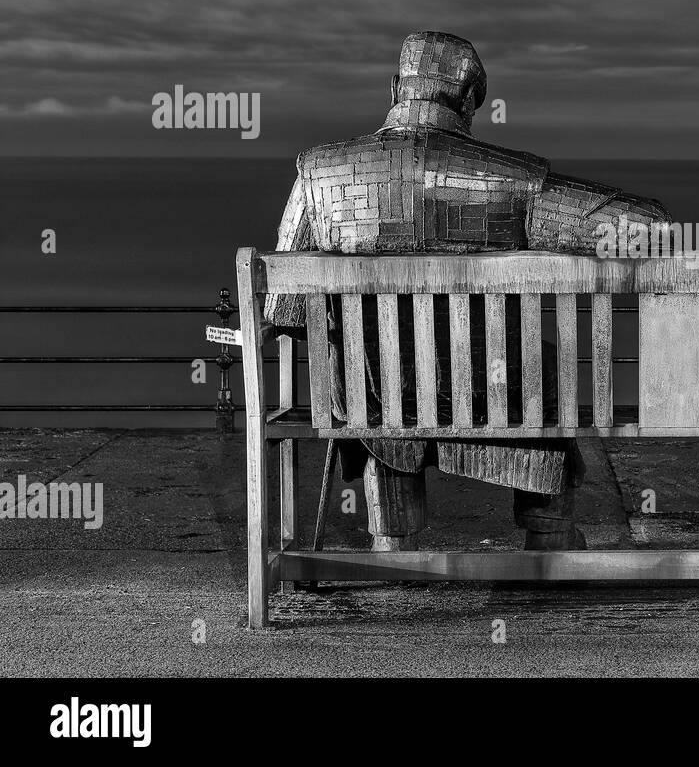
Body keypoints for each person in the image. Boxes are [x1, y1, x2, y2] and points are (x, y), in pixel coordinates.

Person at [264, 31, 671, 551]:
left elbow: (287, 312)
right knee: (543, 363)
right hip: (495, 391)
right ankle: (548, 533)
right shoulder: (513, 182)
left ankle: (393, 537)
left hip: (374, 400)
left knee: (369, 368)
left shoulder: (318, 176)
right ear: (470, 98)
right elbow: (654, 233)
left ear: (395, 88)